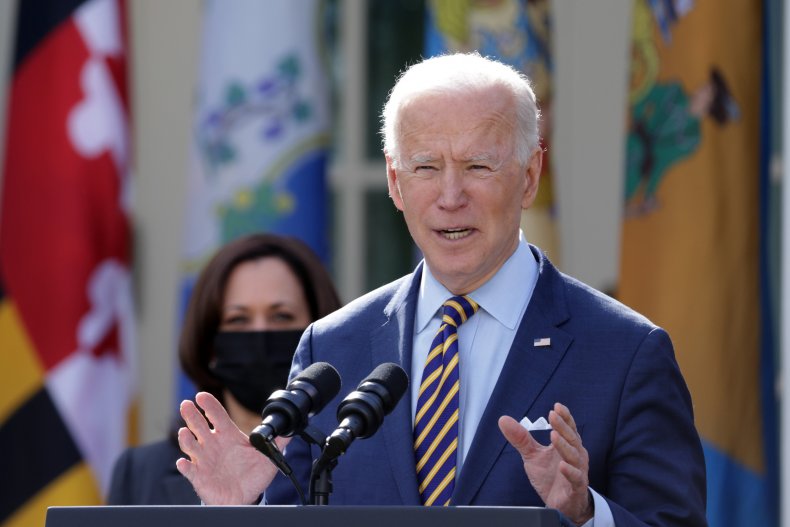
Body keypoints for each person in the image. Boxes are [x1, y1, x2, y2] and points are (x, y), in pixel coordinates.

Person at [176, 53, 707, 526]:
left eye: (478, 165)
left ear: (529, 175)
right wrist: (241, 514)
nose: (451, 196)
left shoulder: (625, 352)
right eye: (426, 166)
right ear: (394, 181)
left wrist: (588, 514)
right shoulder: (332, 347)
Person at [107, 233, 341, 504]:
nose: (260, 334)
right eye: (238, 319)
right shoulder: (139, 474)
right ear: (209, 343)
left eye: (281, 316)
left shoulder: (355, 466)